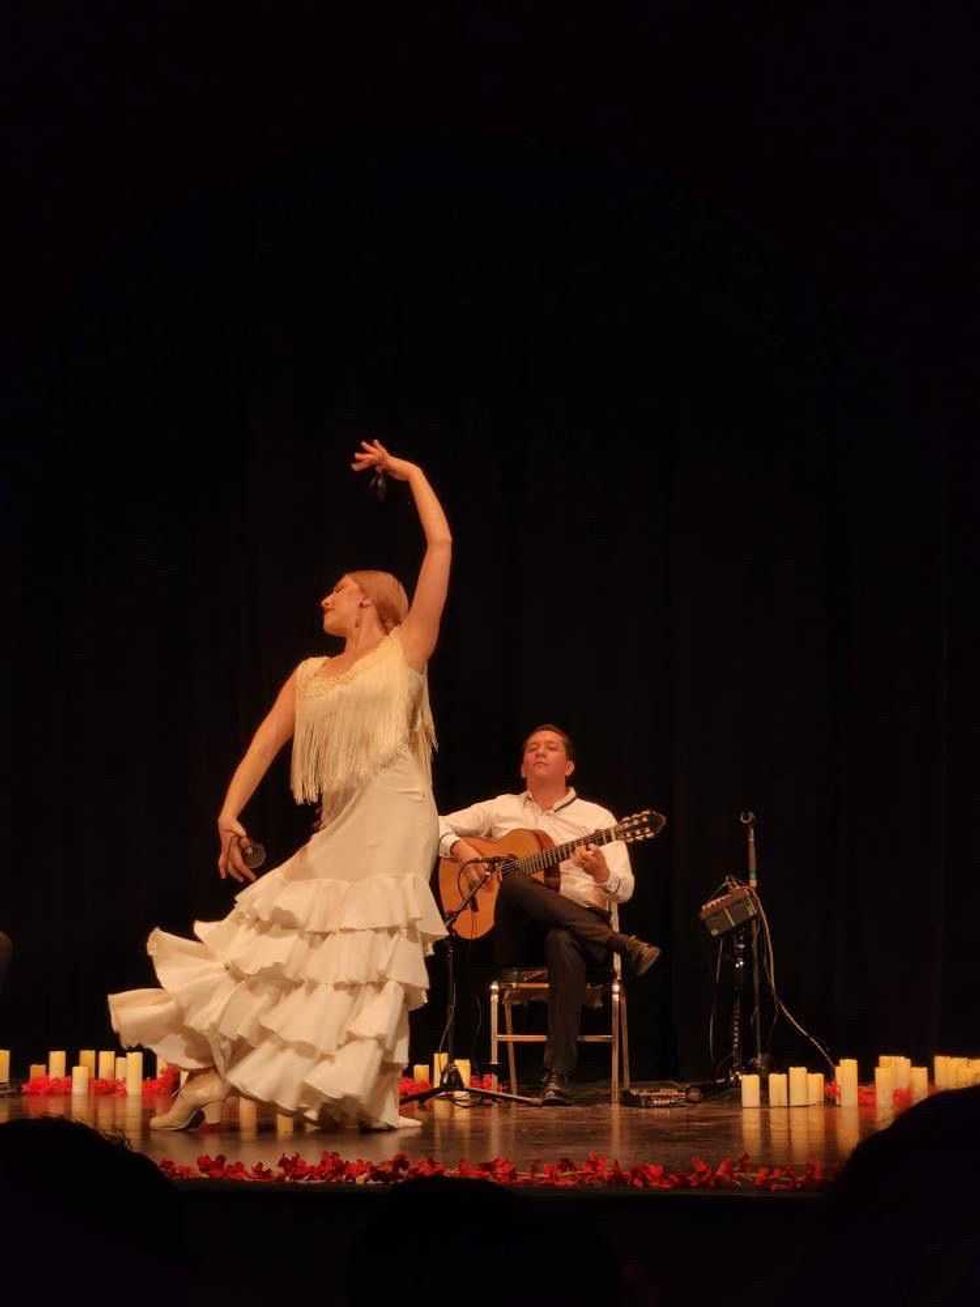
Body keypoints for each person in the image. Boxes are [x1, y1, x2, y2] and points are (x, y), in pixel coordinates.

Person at [109, 439, 451, 1132]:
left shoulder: (406, 650)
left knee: (375, 954)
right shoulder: (309, 673)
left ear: (368, 601)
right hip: (343, 825)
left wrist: (409, 473)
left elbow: (440, 542)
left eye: (338, 589)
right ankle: (211, 1072)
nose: (325, 597)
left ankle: (366, 1091)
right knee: (279, 949)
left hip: (400, 817)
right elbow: (265, 742)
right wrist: (227, 812)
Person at [438, 725, 660, 1104]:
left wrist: (601, 873)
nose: (540, 752)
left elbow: (625, 889)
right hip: (517, 936)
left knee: (562, 938)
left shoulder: (599, 819)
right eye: (532, 748)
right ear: (523, 767)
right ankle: (622, 945)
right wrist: (460, 849)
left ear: (569, 766)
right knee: (513, 878)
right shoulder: (499, 809)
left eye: (551, 747)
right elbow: (432, 822)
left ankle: (557, 1076)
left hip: (580, 935)